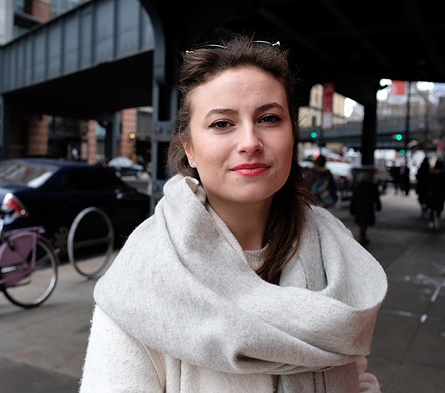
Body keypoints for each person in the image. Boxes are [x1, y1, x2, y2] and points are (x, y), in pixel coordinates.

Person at [80, 34, 387, 393]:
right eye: (222, 123)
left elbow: (355, 376)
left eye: (269, 118)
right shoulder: (142, 275)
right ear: (189, 150)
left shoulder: (335, 249)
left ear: (292, 134)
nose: (250, 142)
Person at [349, 171, 382, 246]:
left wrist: (352, 209)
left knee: (362, 223)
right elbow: (376, 197)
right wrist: (378, 206)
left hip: (360, 208)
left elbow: (354, 199)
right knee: (364, 223)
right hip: (368, 207)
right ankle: (362, 237)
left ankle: (362, 237)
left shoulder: (358, 186)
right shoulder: (371, 186)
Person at [426, 159, 445, 230]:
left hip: (432, 193)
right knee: (439, 208)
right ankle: (437, 219)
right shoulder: (443, 173)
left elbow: (428, 183)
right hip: (440, 194)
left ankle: (431, 220)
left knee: (432, 208)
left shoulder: (431, 173)